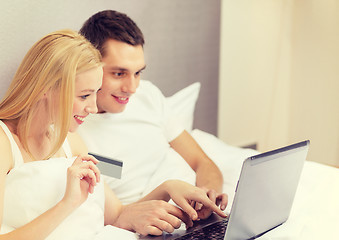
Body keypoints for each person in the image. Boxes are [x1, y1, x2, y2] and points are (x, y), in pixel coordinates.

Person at [0, 29, 226, 239]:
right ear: (45, 89)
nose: (93, 108)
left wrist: (168, 188)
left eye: (94, 94)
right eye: (83, 96)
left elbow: (118, 214)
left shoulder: (71, 142)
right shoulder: (4, 142)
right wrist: (67, 204)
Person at [78, 9, 228, 224]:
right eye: (119, 73)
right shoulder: (73, 128)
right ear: (88, 65)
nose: (132, 88)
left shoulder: (148, 95)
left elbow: (202, 162)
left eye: (138, 73)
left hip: (188, 217)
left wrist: (206, 195)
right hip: (143, 220)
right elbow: (102, 213)